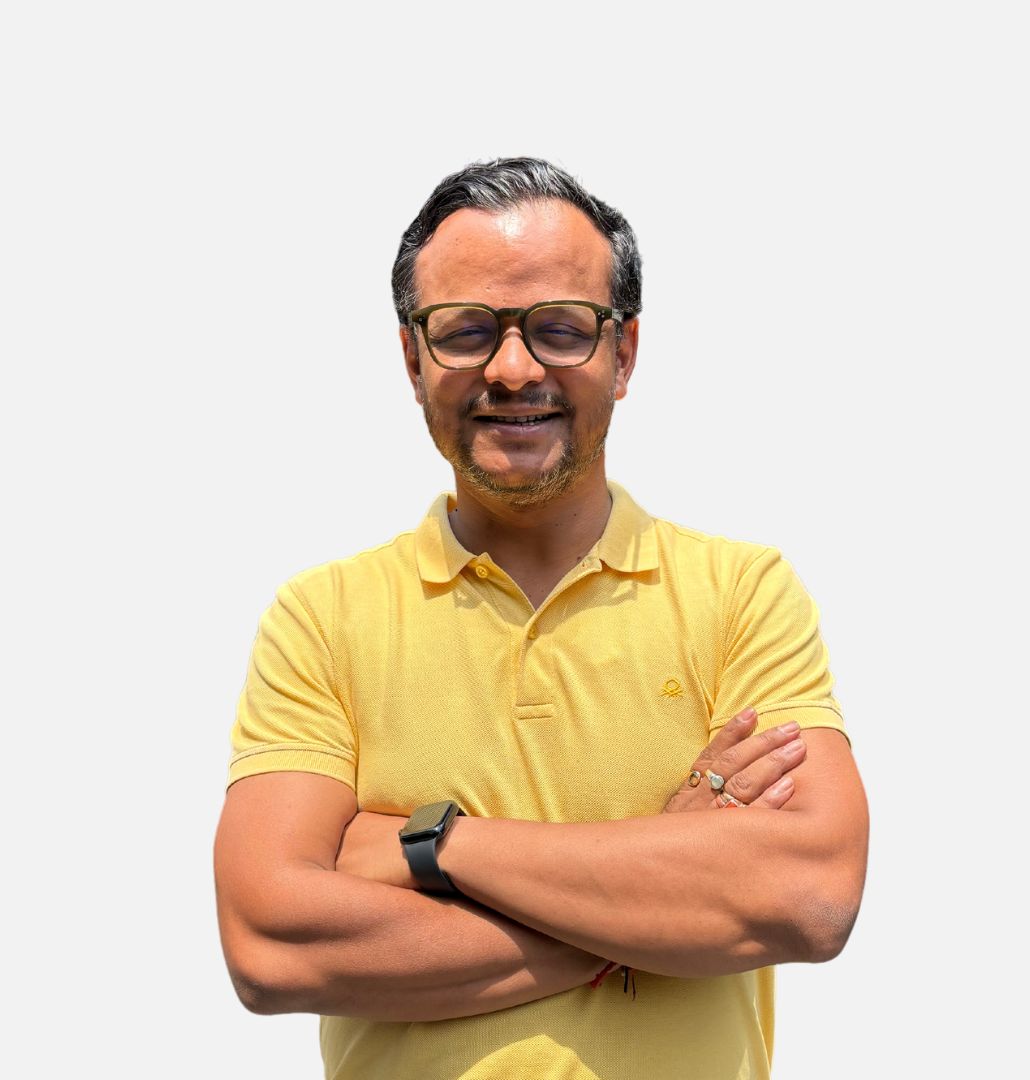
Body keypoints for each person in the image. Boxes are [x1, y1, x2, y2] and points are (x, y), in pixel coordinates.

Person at [213, 157, 869, 1080]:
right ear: (412, 360)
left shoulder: (740, 594)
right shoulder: (322, 618)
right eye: (466, 331)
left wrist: (432, 845)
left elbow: (809, 896)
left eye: (560, 329)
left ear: (623, 353)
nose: (513, 369)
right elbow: (269, 944)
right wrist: (652, 898)